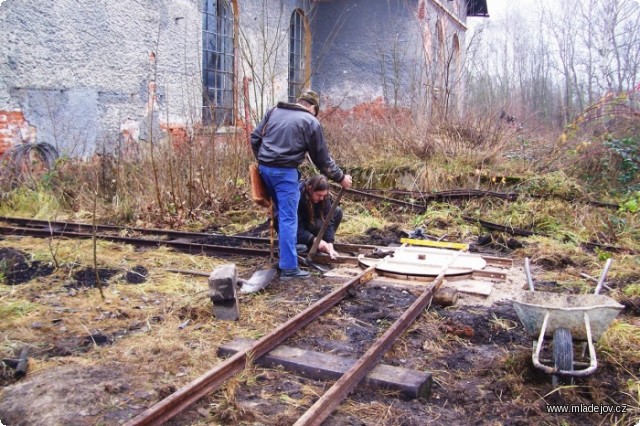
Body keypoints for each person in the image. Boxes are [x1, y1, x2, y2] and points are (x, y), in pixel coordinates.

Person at [251, 90, 352, 280]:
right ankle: (289, 268)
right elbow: (322, 158)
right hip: (285, 172)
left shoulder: (273, 112)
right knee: (289, 217)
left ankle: (290, 248)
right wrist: (340, 178)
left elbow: (255, 138)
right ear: (313, 108)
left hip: (265, 169)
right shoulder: (310, 121)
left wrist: (264, 161)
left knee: (282, 212)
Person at [296, 175, 342, 260]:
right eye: (319, 195)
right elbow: (297, 228)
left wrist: (330, 243)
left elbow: (329, 220)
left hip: (314, 222)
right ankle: (311, 243)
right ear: (310, 189)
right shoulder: (297, 197)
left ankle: (323, 244)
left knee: (337, 212)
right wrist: (314, 240)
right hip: (302, 228)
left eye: (324, 195)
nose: (321, 198)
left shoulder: (323, 197)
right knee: (317, 225)